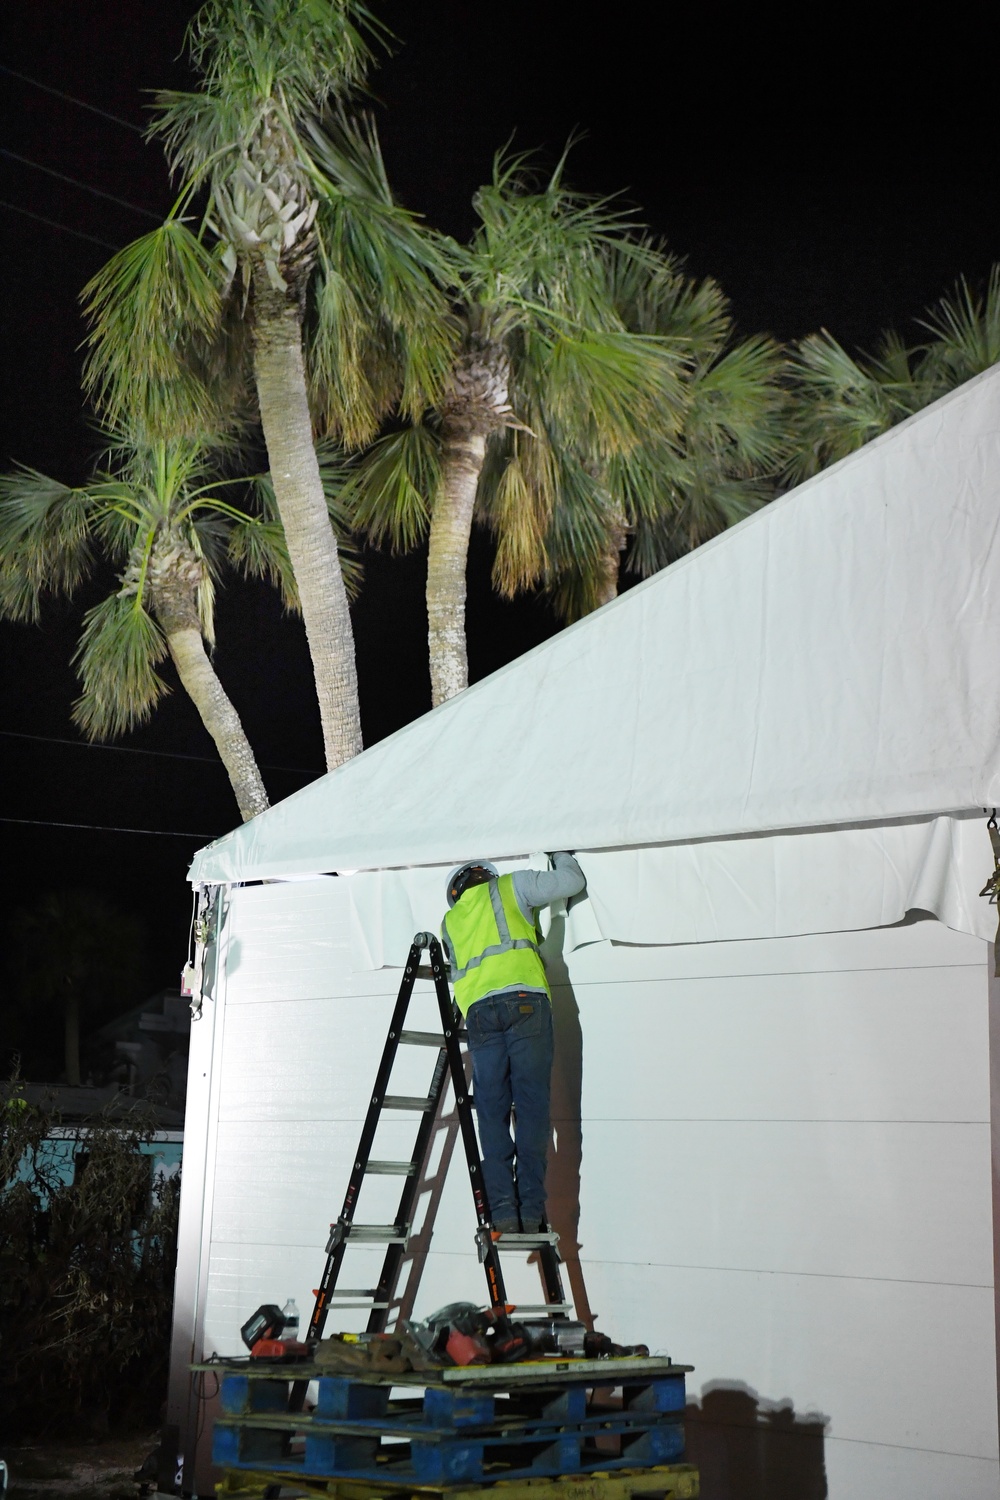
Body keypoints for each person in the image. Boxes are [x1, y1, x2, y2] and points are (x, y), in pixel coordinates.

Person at [441, 852, 586, 1234]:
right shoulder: (512, 885)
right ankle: (533, 1209)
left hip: (480, 1018)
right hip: (525, 1003)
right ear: (486, 875)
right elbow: (573, 883)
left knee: (491, 1112)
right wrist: (561, 855)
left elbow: (458, 974)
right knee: (533, 1108)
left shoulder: (450, 921)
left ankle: (504, 1210)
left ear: (457, 892)